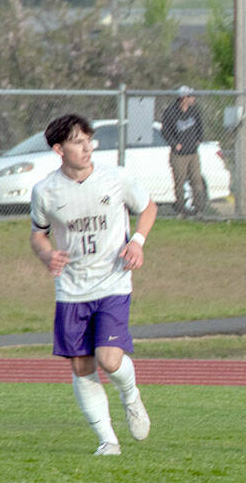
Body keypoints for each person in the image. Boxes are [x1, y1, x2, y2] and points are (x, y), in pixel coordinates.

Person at [30, 114, 158, 455]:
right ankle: (107, 440)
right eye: (77, 141)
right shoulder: (45, 191)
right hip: (72, 289)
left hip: (113, 282)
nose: (87, 147)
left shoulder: (114, 178)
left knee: (109, 359)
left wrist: (138, 242)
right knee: (81, 365)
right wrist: (47, 255)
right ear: (59, 149)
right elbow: (38, 234)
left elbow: (148, 208)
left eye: (88, 140)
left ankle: (131, 396)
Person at [160, 85, 207, 216]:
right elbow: (165, 131)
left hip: (192, 153)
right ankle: (181, 210)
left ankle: (199, 210)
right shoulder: (171, 112)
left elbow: (200, 127)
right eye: (190, 96)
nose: (193, 98)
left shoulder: (194, 111)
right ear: (183, 98)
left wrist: (198, 140)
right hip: (179, 155)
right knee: (179, 182)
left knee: (196, 181)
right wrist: (174, 144)